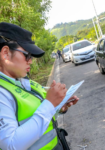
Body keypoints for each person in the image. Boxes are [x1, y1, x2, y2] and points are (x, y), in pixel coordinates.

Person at [0, 22, 79, 150]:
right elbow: (10, 144)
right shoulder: (2, 93)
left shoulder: (24, 81)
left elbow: (35, 114)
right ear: (5, 54)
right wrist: (50, 104)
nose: (31, 61)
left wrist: (58, 106)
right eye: (27, 55)